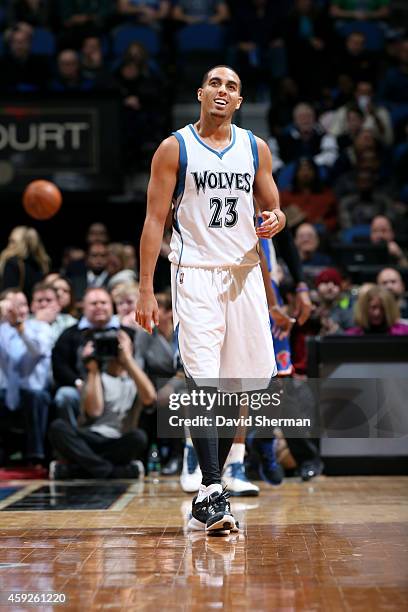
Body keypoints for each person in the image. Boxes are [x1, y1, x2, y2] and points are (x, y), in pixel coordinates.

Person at [136, 65, 286, 535]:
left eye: (233, 87)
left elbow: (273, 205)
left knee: (238, 384)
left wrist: (276, 219)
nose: (223, 91)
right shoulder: (173, 147)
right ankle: (212, 490)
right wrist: (145, 288)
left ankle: (211, 487)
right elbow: (154, 221)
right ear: (201, 93)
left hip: (243, 274)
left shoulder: (254, 147)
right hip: (194, 273)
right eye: (216, 84)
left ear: (239, 101)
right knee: (203, 378)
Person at [49, 327, 155, 480]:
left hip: (117, 441)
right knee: (58, 428)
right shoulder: (95, 376)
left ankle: (77, 470)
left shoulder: (135, 380)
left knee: (139, 437)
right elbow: (94, 411)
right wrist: (93, 370)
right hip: (89, 439)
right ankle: (112, 472)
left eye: (119, 342)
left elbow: (150, 398)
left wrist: (127, 360)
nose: (114, 346)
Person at [0, 288, 53, 465]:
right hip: (7, 392)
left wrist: (20, 328)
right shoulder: (2, 330)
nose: (18, 309)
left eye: (22, 304)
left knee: (35, 397)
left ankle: (35, 456)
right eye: (13, 305)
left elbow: (37, 350)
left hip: (35, 390)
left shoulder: (40, 327)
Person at [0, 226, 50, 301]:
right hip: (36, 306)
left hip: (17, 307)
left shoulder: (12, 263)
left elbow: (8, 292)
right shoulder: (42, 264)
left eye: (11, 241)